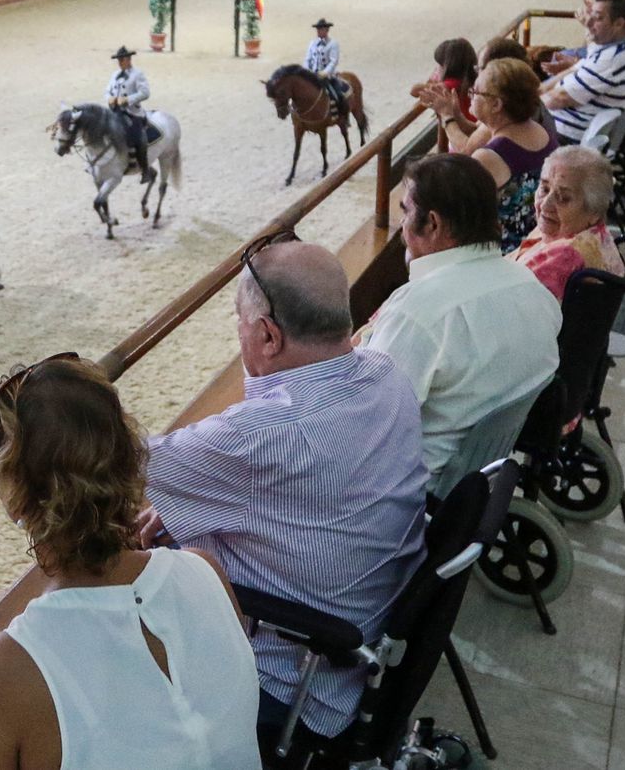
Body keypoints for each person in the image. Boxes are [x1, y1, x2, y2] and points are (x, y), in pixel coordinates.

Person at [0, 355, 260, 770]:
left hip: (8, 673)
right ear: (129, 458)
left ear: (12, 494)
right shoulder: (205, 571)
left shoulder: (1, 669)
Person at [147, 240, 428, 744]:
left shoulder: (263, 434)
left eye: (238, 319)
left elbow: (110, 459)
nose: (238, 333)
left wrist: (6, 425)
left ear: (268, 335)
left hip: (292, 680)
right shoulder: (385, 372)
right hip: (367, 626)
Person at [358, 154, 560, 479]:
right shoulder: (533, 289)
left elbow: (366, 425)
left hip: (411, 489)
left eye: (406, 212)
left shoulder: (420, 313)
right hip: (484, 473)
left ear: (433, 224)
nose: (401, 228)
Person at [421, 59, 556, 253]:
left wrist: (447, 116)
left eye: (475, 92)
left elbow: (458, 203)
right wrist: (455, 114)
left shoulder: (490, 157)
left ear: (496, 105)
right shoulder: (538, 130)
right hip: (537, 238)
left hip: (508, 251)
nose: (471, 96)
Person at [511, 145, 625, 301]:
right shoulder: (589, 230)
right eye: (544, 189)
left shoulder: (564, 257)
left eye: (563, 198)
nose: (545, 204)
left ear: (594, 212)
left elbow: (506, 305)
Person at [541, 0, 625, 145]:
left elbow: (557, 100)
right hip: (589, 123)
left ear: (619, 23)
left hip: (567, 132)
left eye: (598, 18)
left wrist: (534, 100)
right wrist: (541, 89)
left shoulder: (611, 60)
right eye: (590, 16)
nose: (588, 23)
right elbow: (577, 68)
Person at [105, 45, 154, 184]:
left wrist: (128, 99)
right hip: (115, 111)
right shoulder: (114, 75)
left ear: (128, 60)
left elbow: (145, 93)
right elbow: (107, 90)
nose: (120, 63)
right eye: (118, 60)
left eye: (122, 60)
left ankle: (145, 170)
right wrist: (109, 98)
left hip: (132, 112)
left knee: (137, 136)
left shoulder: (137, 74)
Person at [302, 17, 350, 120]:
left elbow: (333, 61)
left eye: (321, 29)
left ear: (326, 30)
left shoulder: (333, 44)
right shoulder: (312, 44)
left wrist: (325, 72)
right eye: (318, 29)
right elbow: (308, 59)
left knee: (337, 95)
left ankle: (343, 117)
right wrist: (305, 71)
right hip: (313, 75)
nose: (319, 31)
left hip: (327, 76)